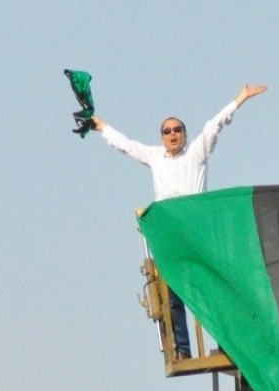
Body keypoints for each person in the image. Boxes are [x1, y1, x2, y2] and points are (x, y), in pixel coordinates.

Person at [91, 84, 268, 359]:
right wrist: (102, 126)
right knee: (173, 293)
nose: (172, 134)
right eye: (167, 131)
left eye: (177, 130)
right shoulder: (155, 157)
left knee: (211, 289)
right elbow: (126, 146)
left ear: (184, 134)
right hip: (172, 235)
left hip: (198, 232)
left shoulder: (196, 152)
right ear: (162, 137)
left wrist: (241, 99)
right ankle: (182, 348)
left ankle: (226, 344)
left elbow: (215, 125)